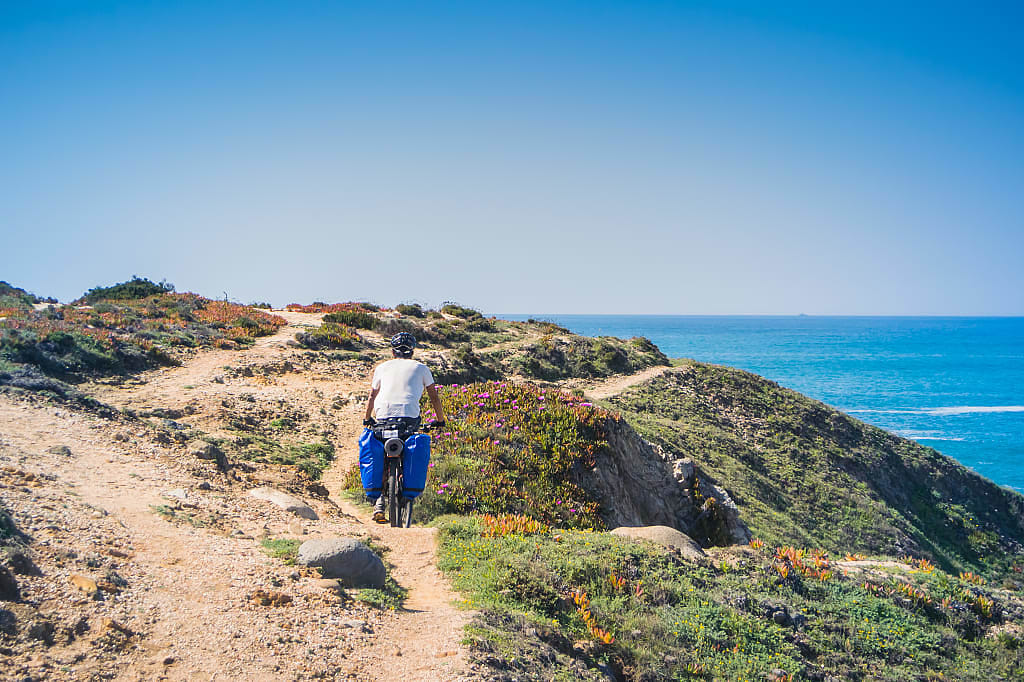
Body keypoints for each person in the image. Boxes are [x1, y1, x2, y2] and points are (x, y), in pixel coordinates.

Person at [363, 331, 447, 523]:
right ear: (412, 351)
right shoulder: (421, 368)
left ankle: (379, 503)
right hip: (409, 419)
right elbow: (434, 396)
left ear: (392, 352)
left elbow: (372, 396)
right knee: (410, 447)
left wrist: (367, 418)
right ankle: (404, 489)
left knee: (381, 451)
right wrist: (440, 420)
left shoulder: (382, 368)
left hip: (383, 416)